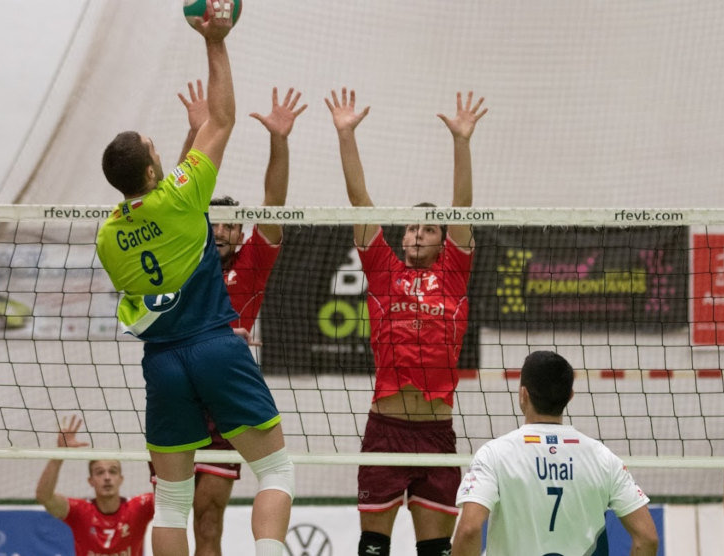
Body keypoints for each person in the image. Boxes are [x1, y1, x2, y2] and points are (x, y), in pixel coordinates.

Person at [95, 4, 293, 556]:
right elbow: (223, 120)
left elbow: (150, 217)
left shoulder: (108, 238)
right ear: (157, 172)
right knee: (276, 471)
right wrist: (215, 40)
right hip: (217, 348)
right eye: (156, 149)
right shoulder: (185, 201)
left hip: (162, 362)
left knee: (172, 504)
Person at [325, 87, 486, 556]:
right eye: (411, 227)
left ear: (442, 241)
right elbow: (360, 202)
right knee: (373, 547)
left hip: (436, 435)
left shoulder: (454, 274)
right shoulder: (383, 270)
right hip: (385, 430)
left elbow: (462, 210)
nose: (417, 233)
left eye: (429, 229)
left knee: (435, 552)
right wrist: (346, 136)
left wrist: (462, 141)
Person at [155, 82, 306, 556]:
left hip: (225, 394)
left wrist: (278, 140)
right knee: (174, 505)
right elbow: (172, 195)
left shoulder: (254, 262)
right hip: (181, 385)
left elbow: (274, 205)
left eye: (231, 224)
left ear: (242, 231)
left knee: (208, 513)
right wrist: (195, 132)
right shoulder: (186, 253)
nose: (221, 230)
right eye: (214, 222)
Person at [451, 351, 659, 556]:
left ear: (523, 394)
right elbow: (648, 539)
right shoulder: (604, 458)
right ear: (570, 396)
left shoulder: (493, 455)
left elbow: (470, 529)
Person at [36, 416, 155, 556]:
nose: (107, 477)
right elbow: (44, 496)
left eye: (113, 471)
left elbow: (167, 501)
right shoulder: (79, 512)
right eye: (100, 472)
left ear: (121, 479)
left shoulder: (139, 508)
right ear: (90, 480)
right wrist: (59, 454)